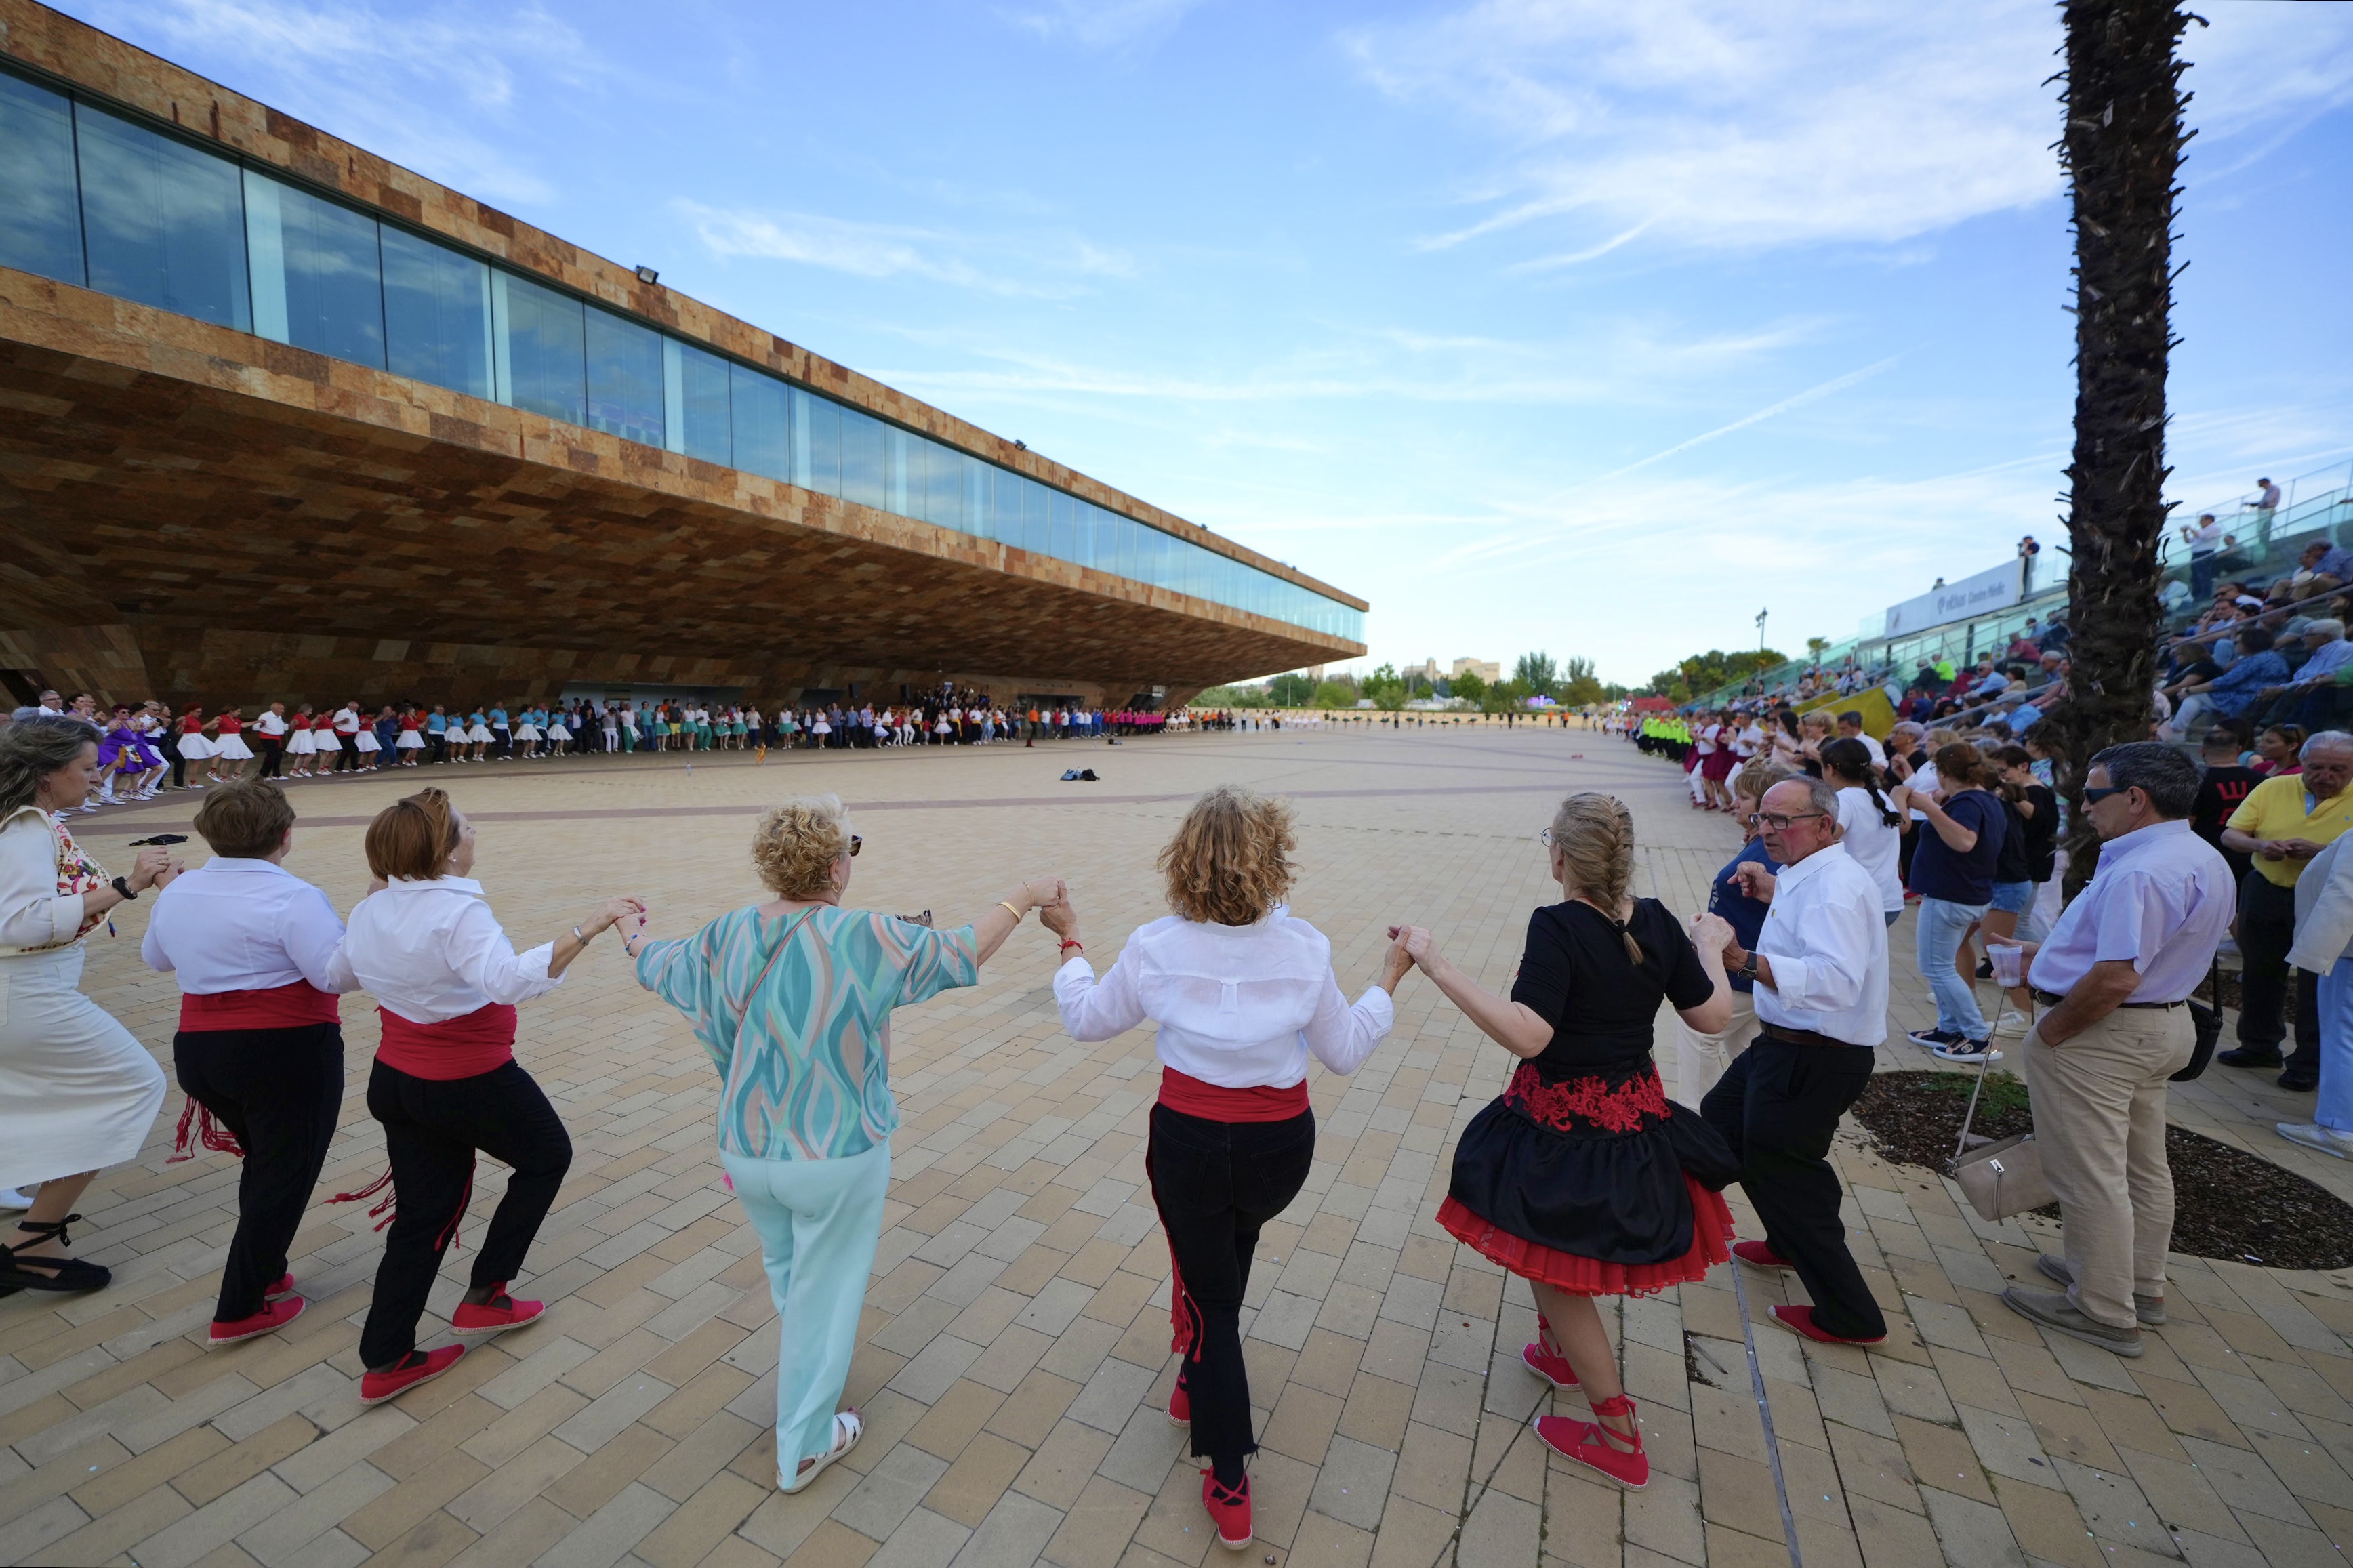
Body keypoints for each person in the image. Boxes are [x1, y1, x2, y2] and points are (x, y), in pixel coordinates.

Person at [626, 797, 1058, 1493]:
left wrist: (627, 932)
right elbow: (959, 949)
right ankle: (803, 1442)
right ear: (835, 866)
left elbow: (657, 964)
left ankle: (811, 1369)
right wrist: (1025, 894)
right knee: (825, 1286)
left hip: (747, 1147)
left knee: (793, 1272)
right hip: (834, 1150)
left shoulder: (725, 933)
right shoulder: (864, 936)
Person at [1046, 788, 1406, 1542]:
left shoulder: (1156, 944)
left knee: (1214, 1304)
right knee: (1226, 1257)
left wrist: (1071, 944)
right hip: (1279, 1148)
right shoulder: (1303, 946)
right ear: (1273, 861)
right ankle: (1192, 1376)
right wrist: (1388, 980)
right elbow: (1342, 1051)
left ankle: (1232, 1475)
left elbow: (1086, 1019)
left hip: (1192, 1142)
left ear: (1185, 862)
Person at [1398, 793, 1736, 1492]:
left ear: (1559, 855)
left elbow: (1530, 1033)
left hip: (1567, 1133)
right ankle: (1558, 1355)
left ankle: (1617, 1432)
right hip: (1630, 1122)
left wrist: (1437, 965)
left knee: (1555, 1268)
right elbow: (1712, 1017)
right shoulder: (1655, 919)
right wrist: (1706, 947)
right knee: (1546, 1248)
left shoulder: (1557, 925)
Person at [340, 788, 638, 1403]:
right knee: (546, 1155)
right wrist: (589, 926)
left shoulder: (373, 907)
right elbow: (504, 982)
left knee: (423, 1216)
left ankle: (386, 1355)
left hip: (397, 1078)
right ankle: (485, 1294)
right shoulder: (456, 909)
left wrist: (377, 922)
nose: (475, 835)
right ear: (445, 853)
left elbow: (335, 975)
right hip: (463, 1079)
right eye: (467, 828)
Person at [2002, 745, 2231, 1354]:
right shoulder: (2199, 857)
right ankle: (2135, 1283)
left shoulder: (2143, 869)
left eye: (2093, 794)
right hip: (2158, 1024)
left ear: (2136, 799)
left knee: (2090, 1172)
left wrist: (2052, 1030)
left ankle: (2103, 1306)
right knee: (2139, 1165)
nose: (2083, 808)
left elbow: (2116, 976)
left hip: (2106, 1032)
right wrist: (2047, 961)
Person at [142, 779, 359, 1344]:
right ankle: (238, 1306)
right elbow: (334, 976)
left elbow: (155, 960)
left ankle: (264, 1268)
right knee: (285, 1170)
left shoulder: (180, 891)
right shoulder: (294, 895)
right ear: (285, 837)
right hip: (283, 1049)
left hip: (201, 1052)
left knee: (267, 1163)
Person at [1704, 775, 1891, 1346]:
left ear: (1826, 827)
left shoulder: (1836, 887)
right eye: (1763, 819)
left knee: (1785, 1167)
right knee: (1724, 1122)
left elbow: (1835, 981)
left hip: (1816, 1056)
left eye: (1782, 821)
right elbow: (1807, 925)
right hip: (1787, 1046)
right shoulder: (1809, 874)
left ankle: (1851, 1315)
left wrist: (1741, 960)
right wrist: (1771, 890)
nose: (1765, 831)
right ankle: (1788, 1239)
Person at [0, 718, 181, 1292]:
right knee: (130, 1084)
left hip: (28, 988)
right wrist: (126, 887)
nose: (96, 776)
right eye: (86, 767)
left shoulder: (33, 820)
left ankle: (35, 1234)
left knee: (43, 1096)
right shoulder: (26, 825)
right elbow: (18, 922)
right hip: (25, 990)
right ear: (48, 775)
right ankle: (33, 1237)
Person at [2217, 730, 2353, 1091]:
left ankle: (2309, 1063)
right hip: (2267, 888)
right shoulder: (2273, 786)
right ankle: (2259, 1045)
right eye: (2317, 767)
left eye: (2338, 769)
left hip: (2330, 902)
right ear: (2302, 762)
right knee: (2260, 972)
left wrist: (2324, 852)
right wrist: (2261, 845)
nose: (2326, 776)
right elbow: (2231, 835)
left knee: (2316, 982)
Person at [1674, 762, 1786, 1106]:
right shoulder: (1767, 847)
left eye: (1744, 797)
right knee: (1747, 1050)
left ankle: (1695, 1125)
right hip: (1751, 967)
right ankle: (1751, 1119)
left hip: (1742, 969)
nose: (1735, 803)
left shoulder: (1770, 853)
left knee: (1699, 1032)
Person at [1899, 744, 2007, 1060]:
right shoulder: (1984, 799)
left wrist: (1930, 809)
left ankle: (1977, 1035)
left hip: (1951, 897)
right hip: (1967, 894)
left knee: (1937, 968)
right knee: (1942, 965)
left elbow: (1964, 841)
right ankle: (1949, 1027)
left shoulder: (1969, 802)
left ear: (1945, 775)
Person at [2282, 816, 2353, 1160]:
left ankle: (2339, 1127)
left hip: (2349, 952)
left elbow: (2344, 891)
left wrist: (2314, 953)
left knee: (2343, 1033)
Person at [1824, 738, 1904, 926]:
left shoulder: (1845, 799)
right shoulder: (1881, 796)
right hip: (1889, 900)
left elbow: (1823, 841)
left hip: (1861, 901)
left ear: (1830, 769)